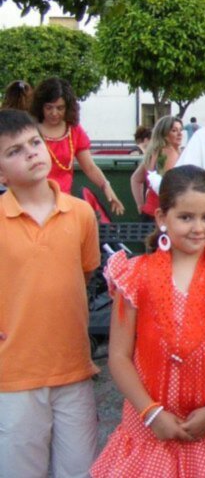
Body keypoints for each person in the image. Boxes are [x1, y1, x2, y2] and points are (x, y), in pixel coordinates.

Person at [92, 165, 205, 477]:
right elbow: (118, 355)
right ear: (161, 219)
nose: (198, 228)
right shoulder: (135, 275)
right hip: (148, 427)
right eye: (186, 217)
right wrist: (151, 413)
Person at [0, 109, 101, 477]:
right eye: (14, 151)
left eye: (35, 143)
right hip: (14, 375)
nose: (30, 153)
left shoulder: (80, 215)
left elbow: (85, 272)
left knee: (79, 468)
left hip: (73, 369)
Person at [31, 77, 124, 213]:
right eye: (49, 107)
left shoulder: (73, 130)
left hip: (63, 203)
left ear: (68, 107)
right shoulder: (30, 130)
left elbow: (90, 167)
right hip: (34, 202)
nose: (54, 113)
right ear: (40, 106)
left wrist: (106, 187)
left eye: (60, 108)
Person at [130, 115, 183, 219]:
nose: (180, 134)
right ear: (164, 134)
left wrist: (140, 205)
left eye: (181, 130)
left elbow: (135, 179)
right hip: (164, 216)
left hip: (150, 213)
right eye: (174, 130)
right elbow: (167, 187)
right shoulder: (169, 152)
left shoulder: (153, 152)